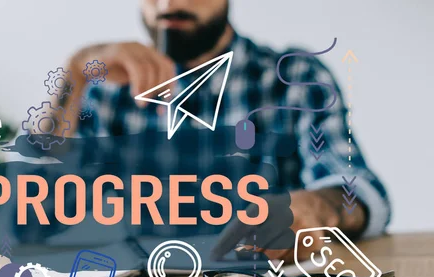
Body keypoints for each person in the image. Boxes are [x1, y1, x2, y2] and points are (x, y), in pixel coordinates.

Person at [45, 0, 390, 262]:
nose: (169, 3)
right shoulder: (103, 90)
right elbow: (32, 216)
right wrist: (74, 76)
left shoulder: (293, 77)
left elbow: (356, 188)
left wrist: (317, 206)